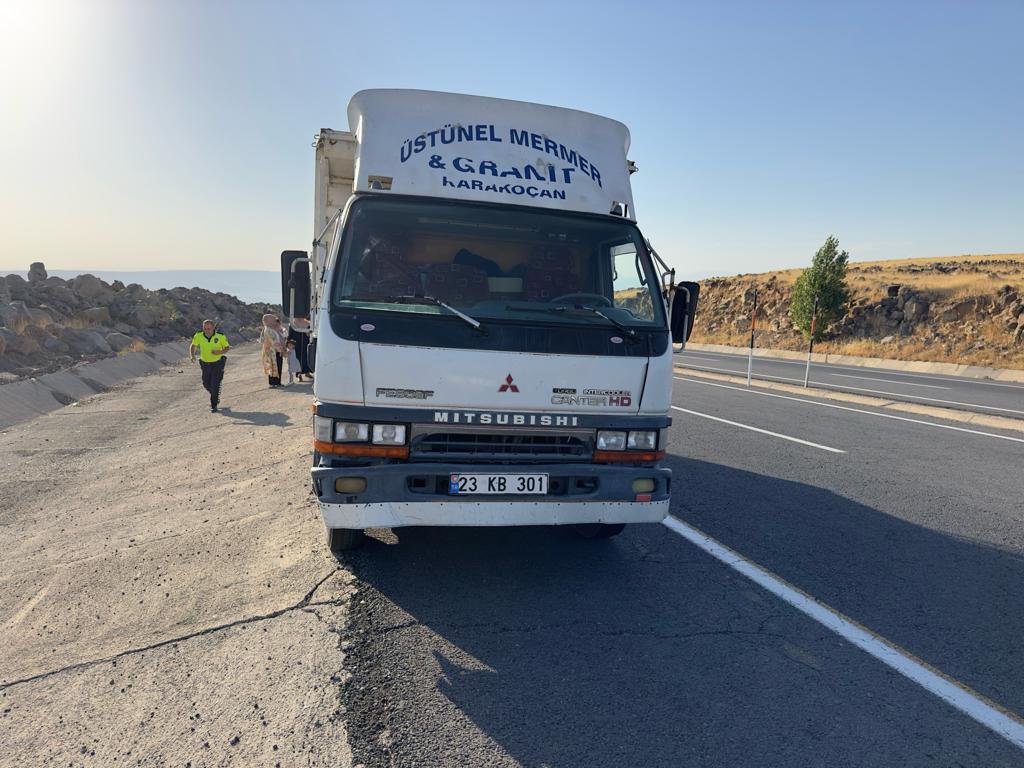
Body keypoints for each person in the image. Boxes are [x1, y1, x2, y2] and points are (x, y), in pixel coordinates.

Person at [189, 319, 230, 412]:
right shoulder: (198, 335)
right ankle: (215, 394)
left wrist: (219, 352)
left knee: (215, 384)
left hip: (217, 363)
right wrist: (192, 356)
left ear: (213, 328)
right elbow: (193, 345)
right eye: (205, 328)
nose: (207, 330)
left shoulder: (220, 336)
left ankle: (214, 405)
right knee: (206, 383)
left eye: (209, 328)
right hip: (205, 363)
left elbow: (227, 347)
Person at [260, 313, 286, 387]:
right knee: (273, 366)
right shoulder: (268, 330)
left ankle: (278, 382)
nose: (275, 321)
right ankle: (273, 383)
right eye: (273, 319)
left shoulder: (273, 329)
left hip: (277, 351)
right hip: (272, 352)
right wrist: (280, 348)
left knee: (278, 366)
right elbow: (273, 341)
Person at [288, 315, 312, 381]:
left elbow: (311, 334)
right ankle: (299, 375)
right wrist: (289, 344)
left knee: (306, 357)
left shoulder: (308, 323)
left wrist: (308, 333)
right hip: (296, 344)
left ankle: (307, 372)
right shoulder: (292, 324)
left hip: (306, 342)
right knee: (298, 359)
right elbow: (290, 335)